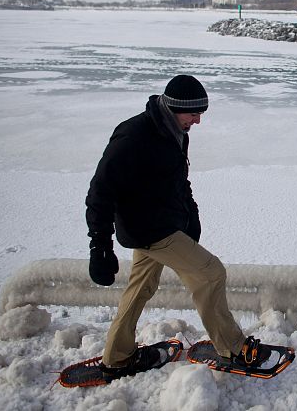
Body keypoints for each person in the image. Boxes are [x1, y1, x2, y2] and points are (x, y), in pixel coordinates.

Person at [85, 74, 269, 381]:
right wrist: (99, 244)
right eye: (193, 113)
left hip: (160, 224)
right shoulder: (134, 135)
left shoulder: (174, 131)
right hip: (151, 230)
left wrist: (190, 214)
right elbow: (100, 191)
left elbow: (177, 179)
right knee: (211, 273)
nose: (198, 121)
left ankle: (117, 357)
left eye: (201, 113)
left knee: (140, 289)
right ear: (174, 107)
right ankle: (234, 348)